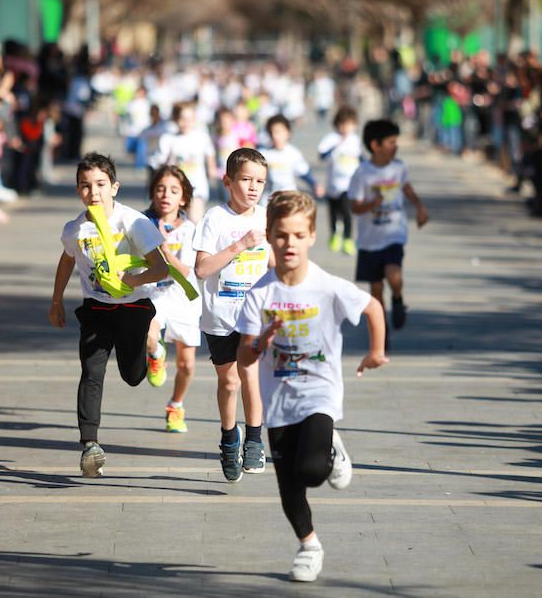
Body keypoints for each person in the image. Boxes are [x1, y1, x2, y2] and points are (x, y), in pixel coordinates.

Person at [235, 190, 388, 583]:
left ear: (312, 236)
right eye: (282, 235)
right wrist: (259, 343)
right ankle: (309, 545)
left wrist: (376, 352)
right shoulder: (259, 295)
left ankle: (331, 448)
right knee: (289, 488)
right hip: (279, 399)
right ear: (269, 235)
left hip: (320, 392)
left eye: (298, 235)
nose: (289, 244)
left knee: (311, 471)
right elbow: (244, 359)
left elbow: (372, 306)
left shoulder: (327, 285)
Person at [48, 152, 169, 476]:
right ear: (78, 191)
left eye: (101, 184)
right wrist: (56, 300)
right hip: (96, 310)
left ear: (114, 187)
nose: (94, 192)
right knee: (91, 371)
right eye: (85, 186)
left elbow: (160, 266)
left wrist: (134, 279)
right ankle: (90, 444)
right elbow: (67, 260)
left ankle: (153, 349)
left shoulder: (133, 222)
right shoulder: (76, 229)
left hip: (135, 308)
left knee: (132, 376)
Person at [193, 148, 273, 481]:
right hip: (219, 316)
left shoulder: (266, 217)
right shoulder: (215, 218)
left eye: (260, 181)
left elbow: (274, 261)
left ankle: (254, 439)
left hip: (255, 316)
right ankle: (229, 437)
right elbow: (202, 268)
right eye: (246, 180)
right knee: (229, 382)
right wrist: (239, 245)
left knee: (251, 375)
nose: (254, 187)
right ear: (227, 181)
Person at [348, 119, 428, 334]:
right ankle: (381, 331)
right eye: (391, 142)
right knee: (376, 288)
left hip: (394, 233)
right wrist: (371, 204)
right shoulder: (362, 173)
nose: (396, 146)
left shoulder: (399, 167)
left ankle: (398, 299)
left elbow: (406, 187)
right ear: (376, 145)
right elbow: (354, 206)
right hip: (369, 239)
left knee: (394, 274)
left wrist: (420, 207)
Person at [142, 165, 201, 433]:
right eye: (160, 189)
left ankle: (176, 405)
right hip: (152, 292)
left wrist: (164, 249)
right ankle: (155, 354)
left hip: (184, 295)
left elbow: (187, 271)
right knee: (148, 334)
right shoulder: (140, 224)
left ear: (184, 198)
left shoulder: (190, 229)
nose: (166, 195)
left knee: (186, 364)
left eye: (174, 190)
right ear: (153, 193)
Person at [149, 102, 217, 222]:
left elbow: (210, 155)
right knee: (174, 220)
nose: (186, 122)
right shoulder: (168, 139)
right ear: (175, 119)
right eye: (182, 119)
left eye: (190, 119)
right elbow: (159, 162)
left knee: (195, 220)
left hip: (197, 187)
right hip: (174, 188)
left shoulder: (202, 137)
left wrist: (212, 169)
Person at [317, 106, 362, 254]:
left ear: (354, 125)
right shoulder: (332, 139)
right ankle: (334, 234)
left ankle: (348, 239)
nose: (346, 128)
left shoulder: (355, 140)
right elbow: (322, 155)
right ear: (337, 124)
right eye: (342, 124)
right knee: (334, 213)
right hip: (333, 185)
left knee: (347, 212)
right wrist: (335, 147)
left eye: (349, 124)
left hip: (349, 185)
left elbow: (360, 158)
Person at [261, 114, 321, 206]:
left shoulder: (293, 153)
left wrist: (315, 185)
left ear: (288, 133)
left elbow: (304, 172)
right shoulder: (264, 153)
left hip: (289, 199)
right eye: (272, 132)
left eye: (278, 132)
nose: (275, 136)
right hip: (269, 200)